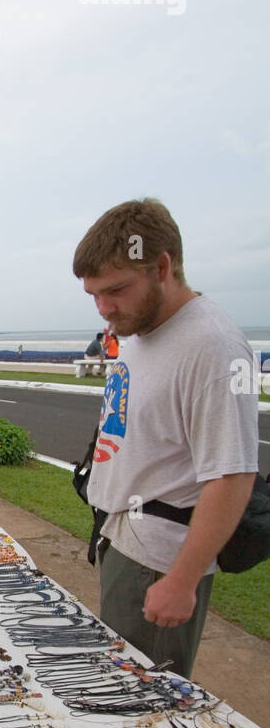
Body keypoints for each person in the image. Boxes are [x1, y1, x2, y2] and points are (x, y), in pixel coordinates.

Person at [73, 197, 258, 677]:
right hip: (123, 541)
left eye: (115, 290)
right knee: (115, 685)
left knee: (141, 708)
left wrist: (182, 579)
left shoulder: (212, 346)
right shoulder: (139, 327)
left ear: (162, 267)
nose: (104, 308)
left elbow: (233, 474)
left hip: (159, 560)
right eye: (93, 294)